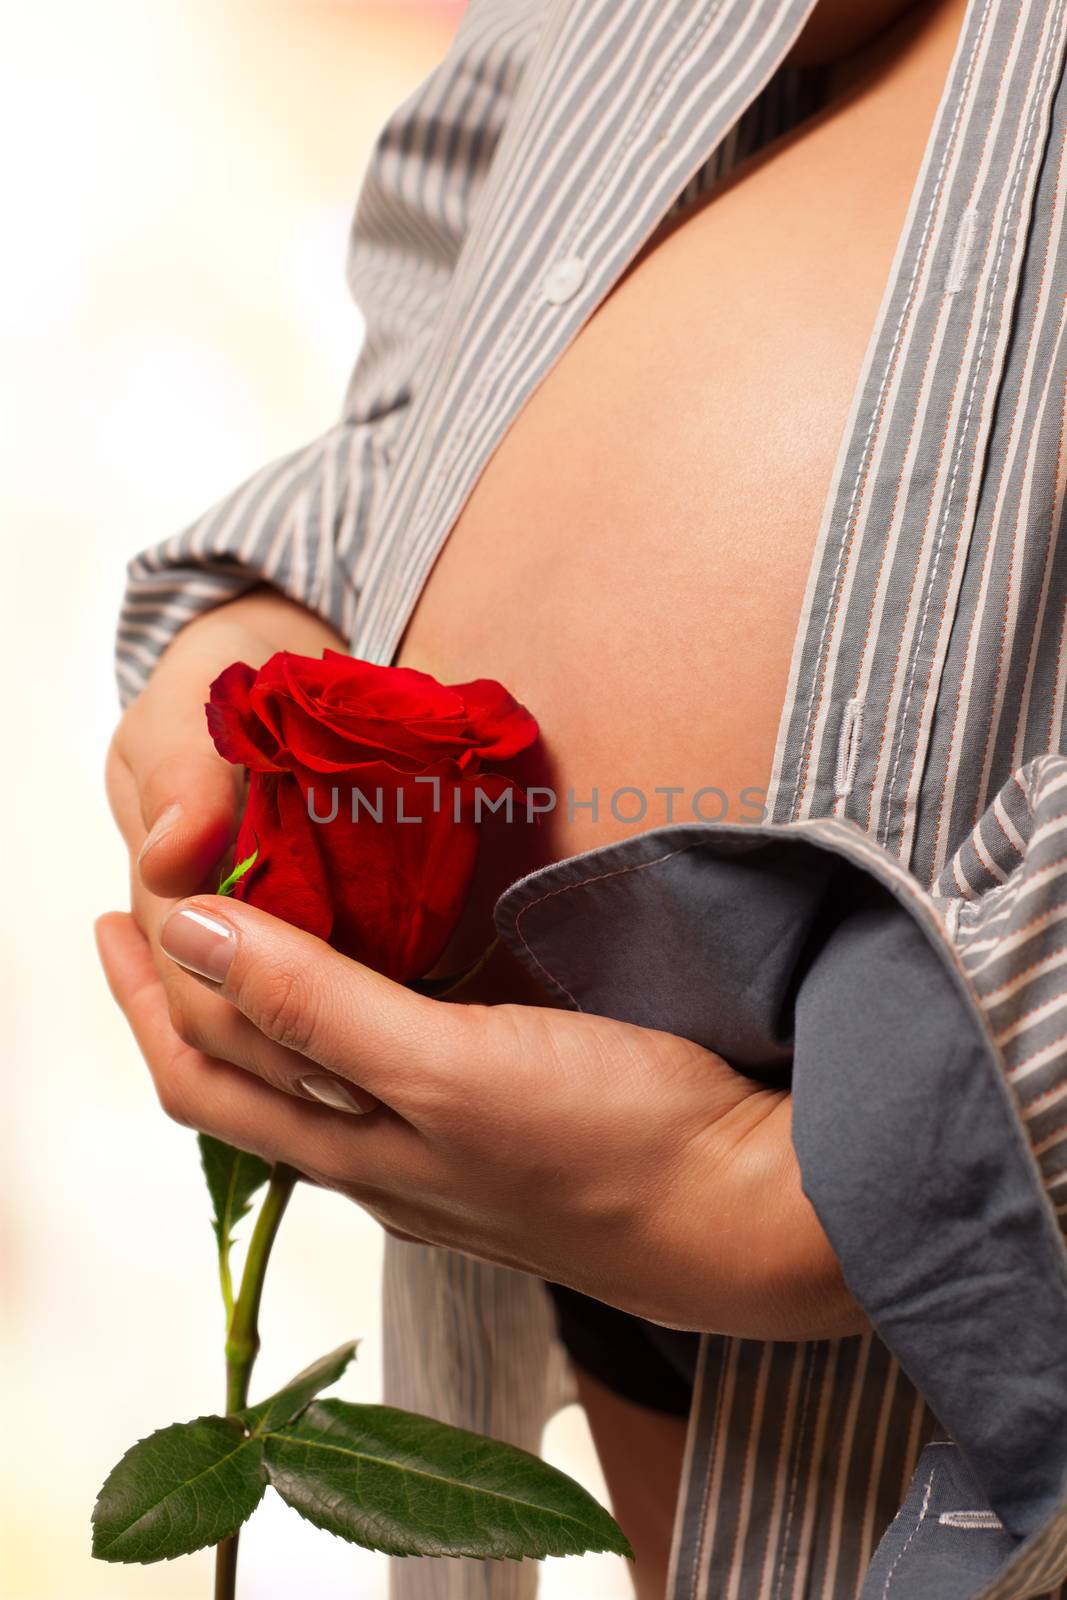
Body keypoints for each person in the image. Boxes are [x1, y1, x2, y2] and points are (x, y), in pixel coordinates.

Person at [96, 0, 1067, 1596]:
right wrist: (258, 621)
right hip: (568, 1268)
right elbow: (451, 272)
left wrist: (786, 1193)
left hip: (932, 1290)